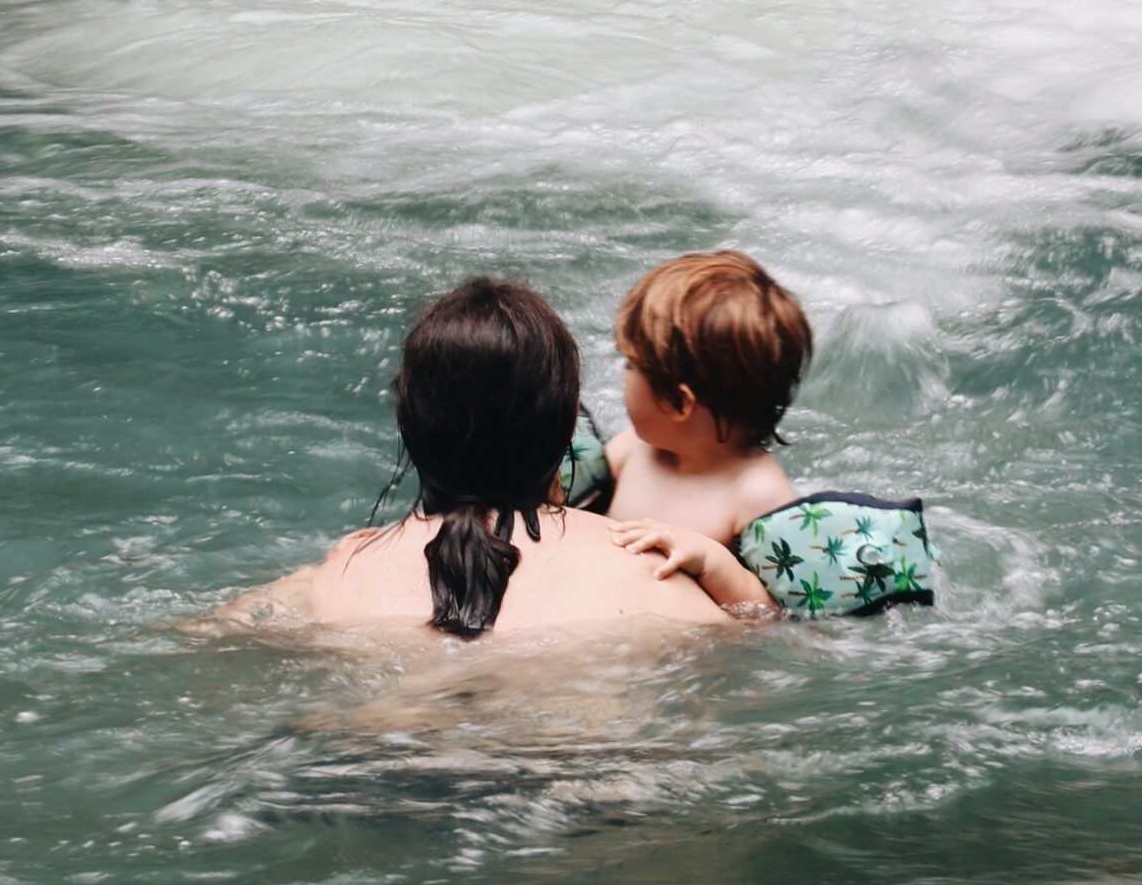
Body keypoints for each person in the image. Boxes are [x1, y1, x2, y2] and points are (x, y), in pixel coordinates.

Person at [213, 276, 770, 641]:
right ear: (569, 423)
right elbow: (766, 640)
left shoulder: (339, 575)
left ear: (409, 424)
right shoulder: (657, 578)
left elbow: (222, 629)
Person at [602, 250, 811, 548]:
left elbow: (774, 594)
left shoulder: (757, 495)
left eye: (631, 365)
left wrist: (709, 561)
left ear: (678, 402)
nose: (623, 375)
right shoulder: (635, 449)